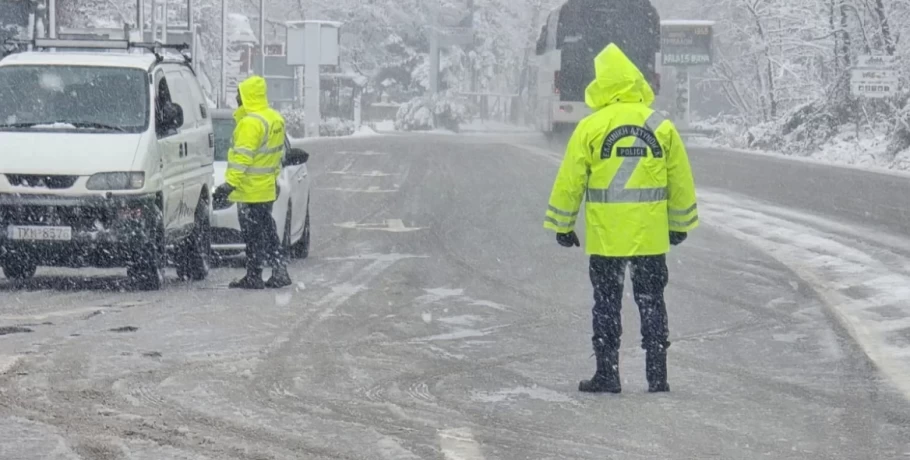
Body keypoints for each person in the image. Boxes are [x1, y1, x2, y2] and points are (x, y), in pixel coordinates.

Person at [543, 43, 698, 394]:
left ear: (603, 84)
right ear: (634, 81)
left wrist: (563, 225)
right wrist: (679, 224)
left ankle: (608, 374)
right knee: (652, 301)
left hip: (606, 237)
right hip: (649, 236)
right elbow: (679, 180)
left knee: (607, 304)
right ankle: (657, 376)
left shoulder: (590, 127)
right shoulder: (661, 125)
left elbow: (571, 181)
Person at [213, 75, 291, 290]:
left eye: (239, 93)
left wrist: (229, 184)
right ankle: (278, 269)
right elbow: (276, 155)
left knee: (253, 234)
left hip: (250, 189)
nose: (237, 97)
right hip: (266, 187)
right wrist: (273, 178)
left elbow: (242, 158)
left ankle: (255, 275)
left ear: (248, 96)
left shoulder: (250, 123)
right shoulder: (274, 119)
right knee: (267, 229)